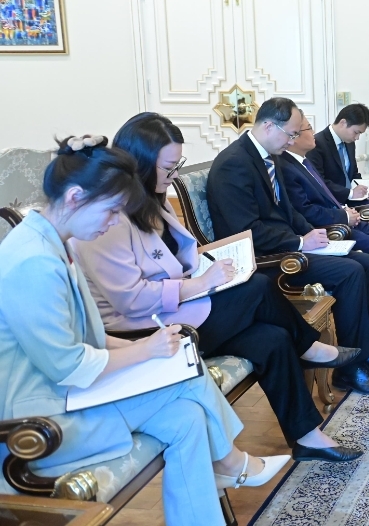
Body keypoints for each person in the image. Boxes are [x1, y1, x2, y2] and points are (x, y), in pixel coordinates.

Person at [0, 136, 288, 526]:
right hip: (41, 420)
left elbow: (88, 335)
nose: (112, 223)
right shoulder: (33, 260)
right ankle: (233, 463)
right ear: (74, 197)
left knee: (187, 416)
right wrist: (145, 351)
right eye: (110, 210)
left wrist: (150, 347)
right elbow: (66, 365)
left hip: (68, 396)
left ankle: (219, 484)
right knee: (186, 376)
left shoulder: (53, 242)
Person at [71, 113, 366, 463]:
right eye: (168, 167)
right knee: (258, 287)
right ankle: (310, 347)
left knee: (272, 339)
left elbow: (180, 256)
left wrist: (216, 263)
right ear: (139, 164)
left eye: (177, 165)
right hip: (146, 329)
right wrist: (200, 283)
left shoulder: (151, 199)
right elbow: (132, 300)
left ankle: (308, 438)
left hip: (179, 308)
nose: (174, 175)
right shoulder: (106, 219)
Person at [207, 97, 369, 396]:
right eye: (290, 134)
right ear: (268, 126)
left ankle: (367, 355)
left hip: (287, 244)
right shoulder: (234, 164)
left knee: (366, 262)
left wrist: (312, 234)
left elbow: (289, 212)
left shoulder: (269, 155)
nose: (292, 140)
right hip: (266, 257)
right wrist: (301, 242)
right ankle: (350, 371)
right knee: (350, 272)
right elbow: (247, 231)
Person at [279, 114, 369, 331]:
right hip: (331, 227)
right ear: (294, 137)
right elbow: (306, 210)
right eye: (308, 128)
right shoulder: (289, 167)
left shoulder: (303, 162)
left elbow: (327, 192)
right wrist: (343, 215)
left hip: (343, 214)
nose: (314, 133)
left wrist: (347, 207)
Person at [306, 103, 369, 221]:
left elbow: (353, 173)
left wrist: (366, 190)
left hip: (353, 196)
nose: (357, 138)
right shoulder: (317, 144)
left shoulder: (349, 143)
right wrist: (350, 193)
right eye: (356, 132)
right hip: (335, 199)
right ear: (343, 123)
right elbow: (320, 182)